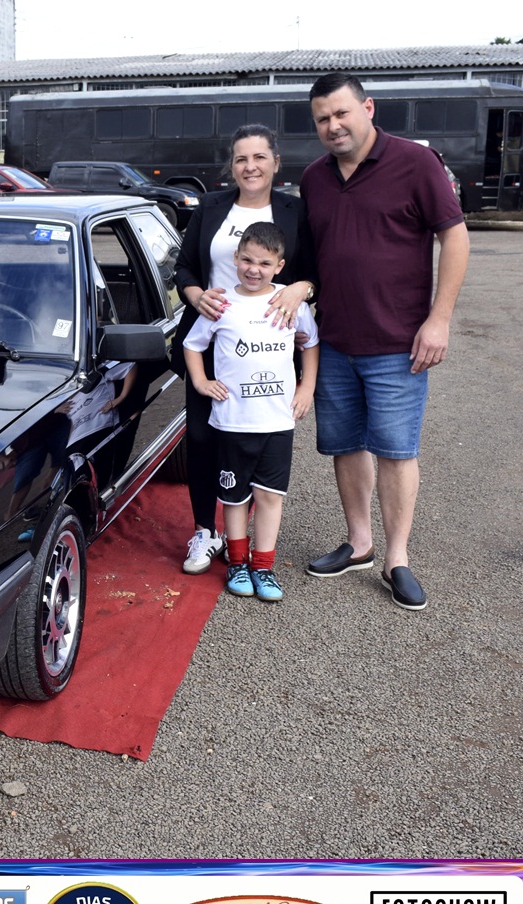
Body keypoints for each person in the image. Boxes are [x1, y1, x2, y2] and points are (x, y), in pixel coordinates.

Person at [299, 72, 470, 611]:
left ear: (368, 108)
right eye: (322, 119)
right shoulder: (314, 178)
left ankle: (397, 559)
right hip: (334, 342)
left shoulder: (416, 164)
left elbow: (455, 237)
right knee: (345, 445)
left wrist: (439, 319)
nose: (333, 126)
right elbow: (311, 257)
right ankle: (359, 544)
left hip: (399, 343)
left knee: (396, 451)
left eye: (341, 113)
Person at [171, 124, 318, 575]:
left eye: (259, 157)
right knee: (202, 437)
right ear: (231, 166)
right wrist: (196, 297)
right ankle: (205, 530)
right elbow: (184, 267)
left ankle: (246, 531)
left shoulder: (295, 210)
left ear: (276, 162)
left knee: (256, 439)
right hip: (211, 339)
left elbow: (315, 270)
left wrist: (303, 288)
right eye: (240, 159)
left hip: (268, 341)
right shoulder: (211, 206)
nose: (250, 166)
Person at [181, 221, 319, 602]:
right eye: (247, 260)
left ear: (280, 266)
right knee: (235, 497)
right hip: (232, 421)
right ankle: (238, 563)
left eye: (264, 263)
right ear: (235, 258)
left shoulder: (290, 303)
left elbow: (310, 343)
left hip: (276, 421)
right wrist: (201, 381)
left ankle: (263, 566)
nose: (254, 269)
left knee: (270, 496)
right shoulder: (221, 304)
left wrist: (307, 387)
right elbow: (192, 345)